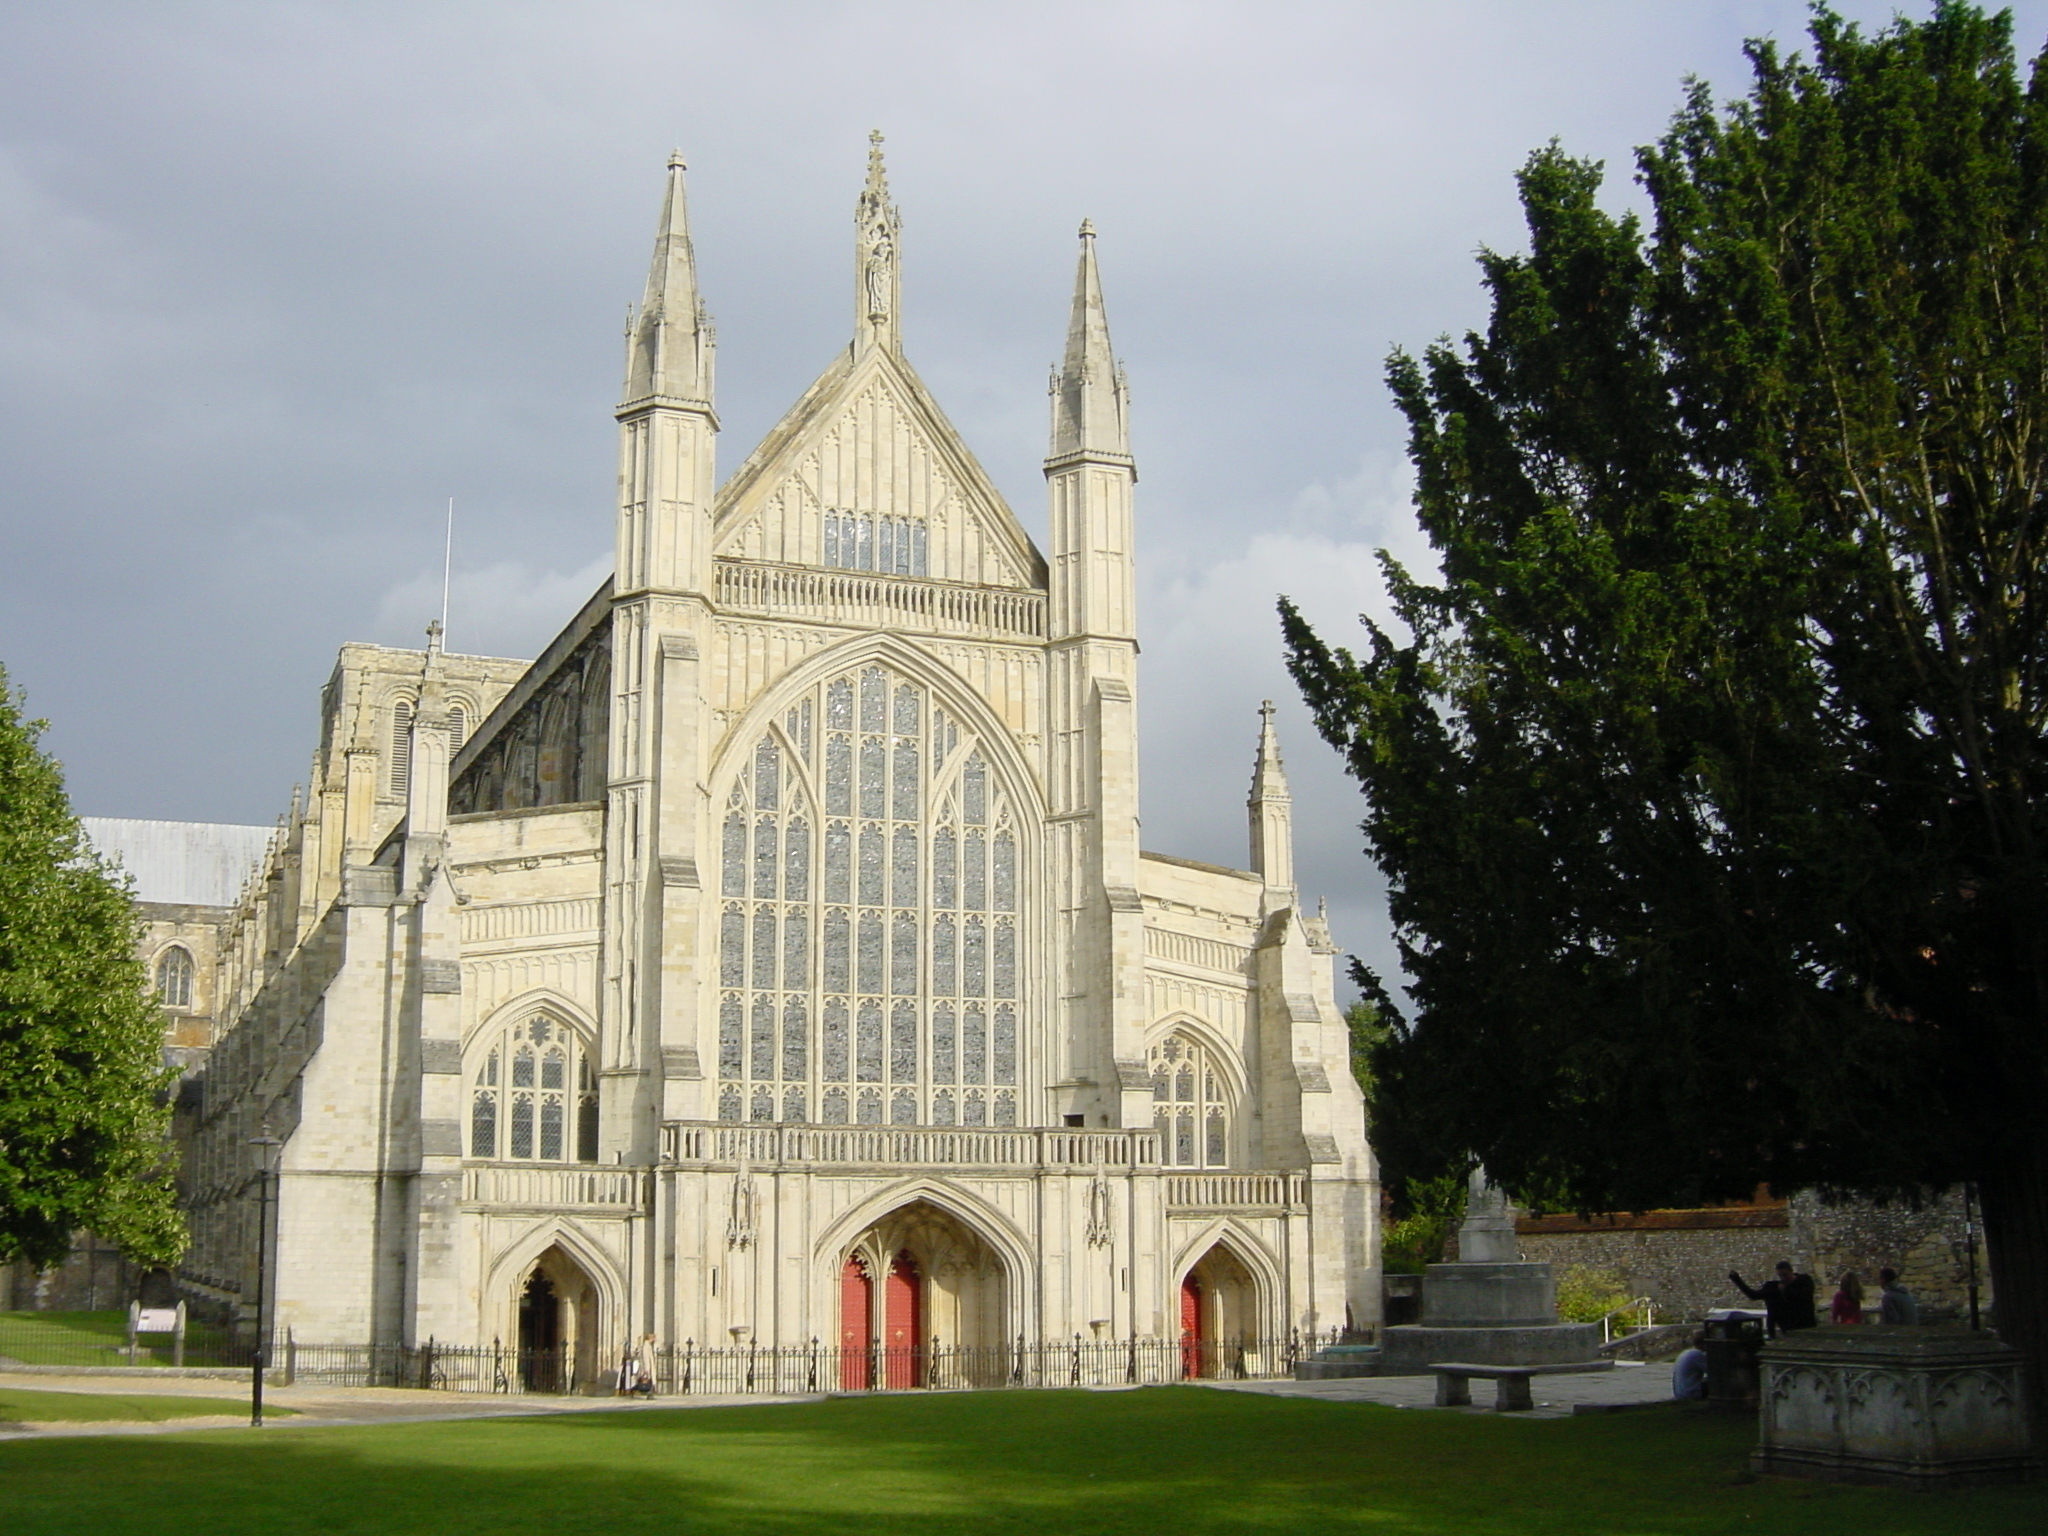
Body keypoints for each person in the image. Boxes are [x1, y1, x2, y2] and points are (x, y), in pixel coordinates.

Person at [1729, 1260, 1819, 1337]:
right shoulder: (1773, 1287)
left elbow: (1802, 1298)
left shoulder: (1804, 1281)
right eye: (1780, 1275)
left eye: (1785, 1274)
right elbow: (1754, 1295)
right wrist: (1737, 1280)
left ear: (1791, 1271)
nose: (1783, 1278)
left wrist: (1785, 1290)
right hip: (1787, 1328)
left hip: (1806, 1325)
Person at [1671, 1336, 1709, 1401]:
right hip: (1691, 1393)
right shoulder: (1697, 1354)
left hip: (1680, 1394)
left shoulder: (1685, 1353)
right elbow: (1714, 1372)